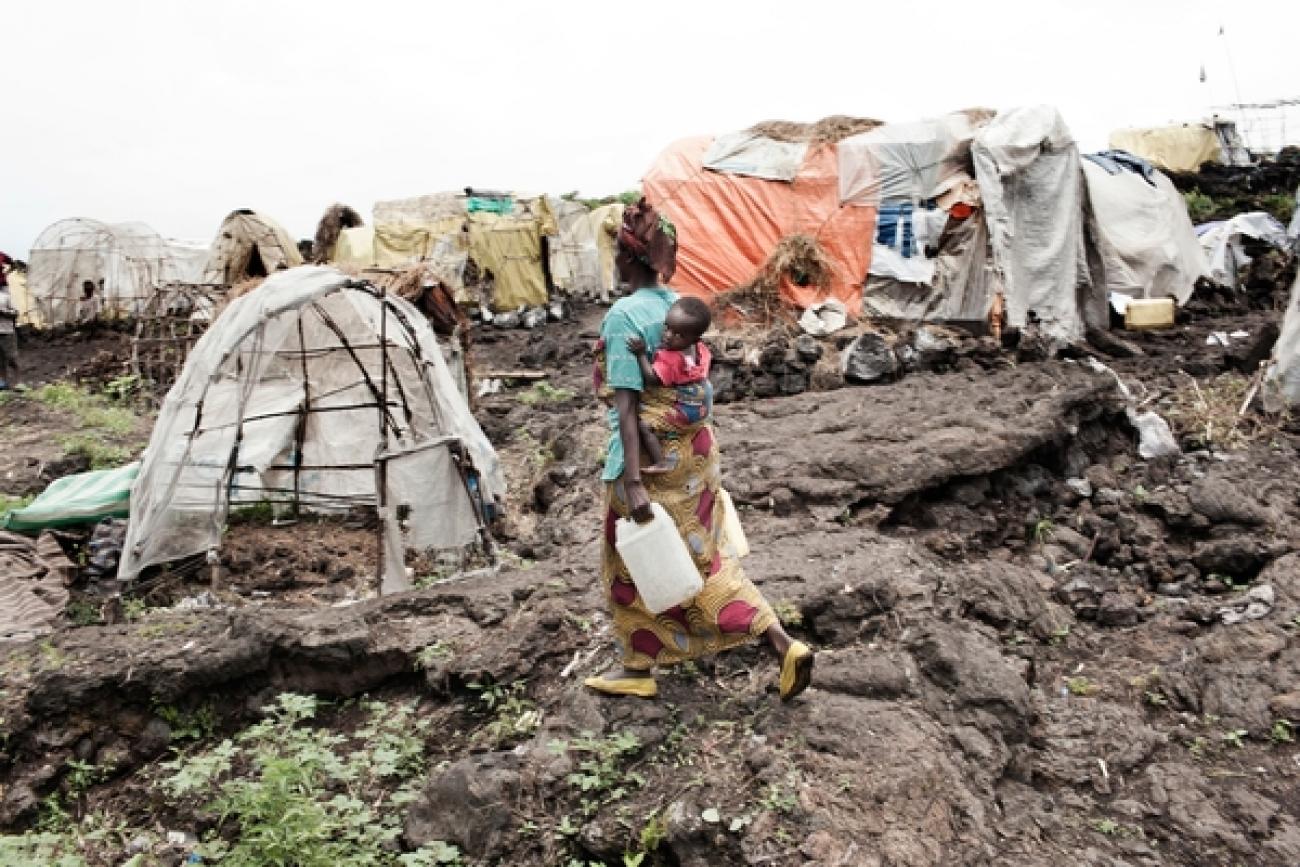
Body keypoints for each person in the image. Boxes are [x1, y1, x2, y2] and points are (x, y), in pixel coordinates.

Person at [585, 198, 813, 701]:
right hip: (697, 454)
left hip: (650, 460)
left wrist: (633, 481)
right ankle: (643, 661)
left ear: (628, 258)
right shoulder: (682, 306)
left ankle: (769, 637)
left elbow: (628, 405)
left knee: (641, 561)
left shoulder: (624, 316)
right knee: (699, 553)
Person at [624, 296, 713, 472]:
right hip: (705, 404)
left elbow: (652, 378)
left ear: (694, 339)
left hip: (689, 409)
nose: (668, 336)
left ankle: (662, 461)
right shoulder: (700, 348)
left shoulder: (671, 359)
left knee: (644, 425)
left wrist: (641, 354)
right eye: (667, 327)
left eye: (678, 335)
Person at [0, 253, 19, 388]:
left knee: (11, 358)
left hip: (6, 329)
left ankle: (18, 381)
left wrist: (7, 272)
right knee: (0, 360)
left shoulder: (5, 295)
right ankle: (3, 383)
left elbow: (14, 312)